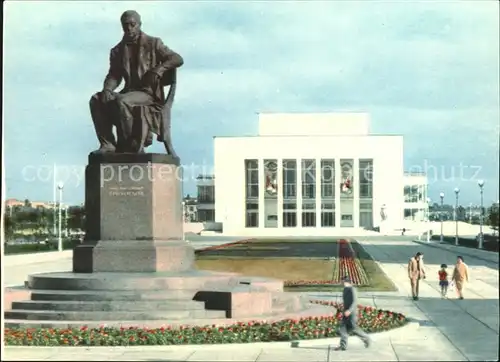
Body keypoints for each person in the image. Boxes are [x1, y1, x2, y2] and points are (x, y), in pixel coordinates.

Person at [89, 10, 184, 154]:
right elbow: (114, 75)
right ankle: (108, 144)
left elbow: (177, 58)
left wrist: (160, 69)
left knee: (122, 101)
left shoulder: (153, 43)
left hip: (148, 94)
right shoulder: (117, 50)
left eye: (132, 25)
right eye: (125, 25)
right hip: (128, 92)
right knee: (96, 100)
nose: (129, 28)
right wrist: (107, 90)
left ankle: (131, 146)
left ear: (139, 24)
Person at [334, 275, 371, 351]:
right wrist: (342, 307)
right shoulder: (345, 289)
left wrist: (349, 311)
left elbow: (354, 302)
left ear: (347, 282)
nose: (341, 283)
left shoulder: (352, 289)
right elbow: (346, 301)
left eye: (343, 281)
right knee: (343, 328)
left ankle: (366, 338)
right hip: (346, 312)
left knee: (353, 329)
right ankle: (343, 346)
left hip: (352, 313)